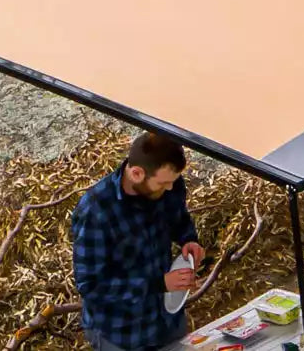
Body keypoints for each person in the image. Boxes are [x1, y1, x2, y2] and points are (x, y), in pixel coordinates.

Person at [72, 133, 206, 351]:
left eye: (173, 182)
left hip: (167, 319)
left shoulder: (169, 184)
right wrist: (159, 284)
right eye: (164, 183)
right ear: (136, 173)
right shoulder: (96, 211)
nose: (171, 189)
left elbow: (178, 218)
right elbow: (91, 286)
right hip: (120, 334)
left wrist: (188, 239)